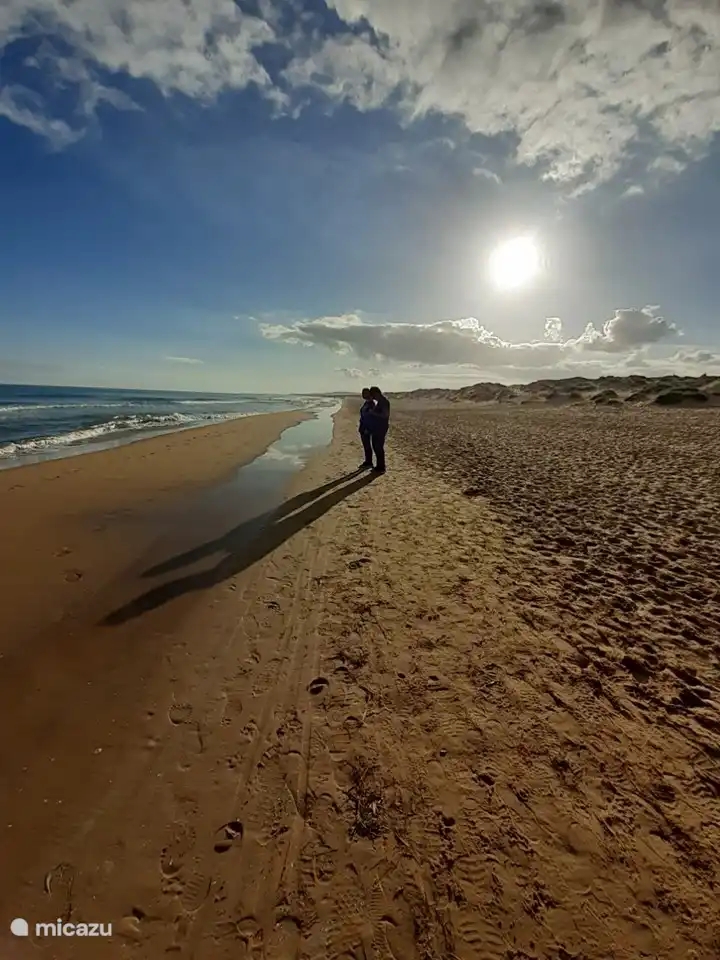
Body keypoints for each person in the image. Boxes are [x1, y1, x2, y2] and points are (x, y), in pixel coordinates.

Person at [366, 385, 390, 474]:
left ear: (376, 393)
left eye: (373, 396)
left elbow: (385, 415)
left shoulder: (384, 402)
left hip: (381, 428)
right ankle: (379, 466)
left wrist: (373, 413)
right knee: (376, 446)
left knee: (378, 447)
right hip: (377, 427)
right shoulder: (380, 402)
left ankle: (381, 467)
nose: (373, 398)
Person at [358, 387, 374, 469]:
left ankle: (369, 462)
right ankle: (368, 461)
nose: (363, 395)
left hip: (367, 428)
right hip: (363, 427)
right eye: (362, 393)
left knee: (367, 445)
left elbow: (372, 418)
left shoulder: (371, 404)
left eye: (364, 393)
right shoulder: (367, 402)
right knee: (366, 445)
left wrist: (368, 428)